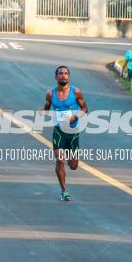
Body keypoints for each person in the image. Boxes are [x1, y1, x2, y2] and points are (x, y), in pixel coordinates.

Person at [41, 66, 88, 202]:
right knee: (60, 160)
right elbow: (46, 107)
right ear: (56, 77)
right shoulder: (50, 94)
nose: (63, 76)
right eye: (60, 74)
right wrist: (43, 111)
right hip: (59, 131)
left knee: (73, 166)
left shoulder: (76, 92)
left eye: (66, 74)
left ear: (69, 77)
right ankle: (64, 191)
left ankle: (69, 158)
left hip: (73, 132)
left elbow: (85, 108)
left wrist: (74, 117)